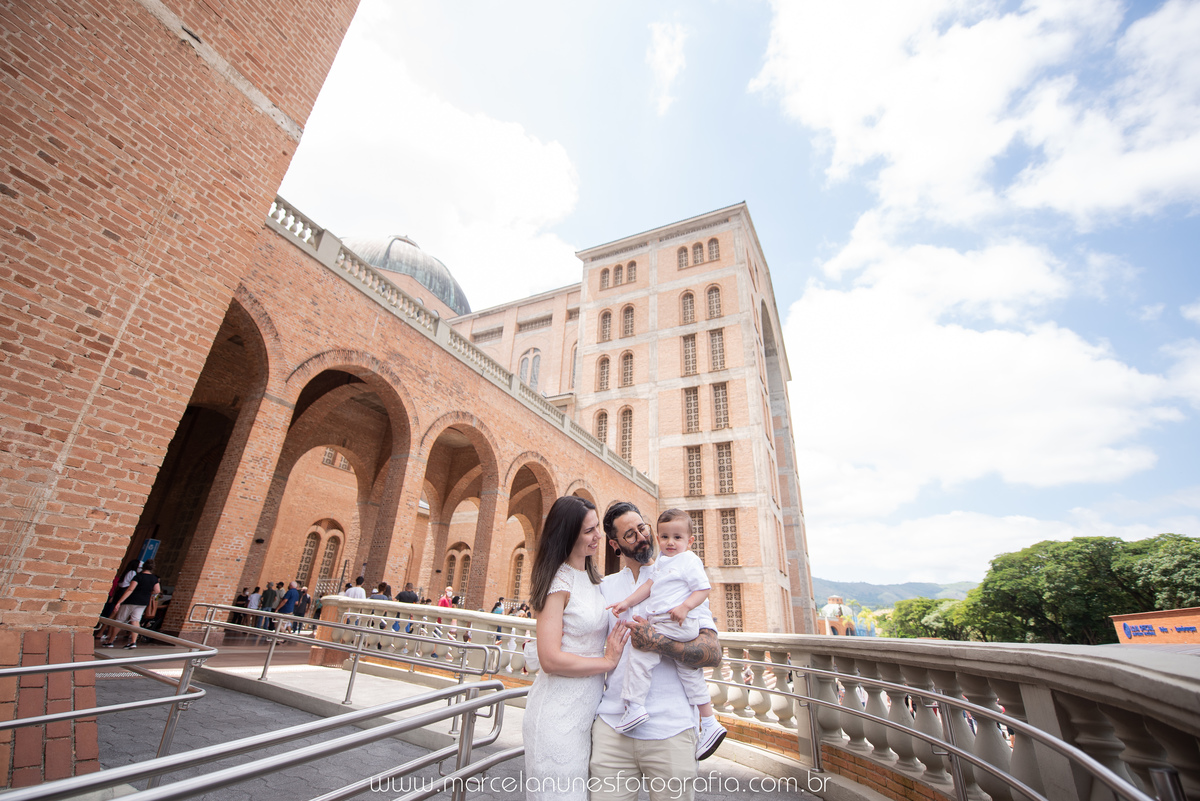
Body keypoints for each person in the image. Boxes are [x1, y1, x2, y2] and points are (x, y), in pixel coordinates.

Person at [589, 502, 725, 801]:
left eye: (643, 528)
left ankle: (709, 723)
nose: (642, 537)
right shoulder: (604, 588)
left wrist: (659, 644)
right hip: (612, 729)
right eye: (629, 535)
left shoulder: (682, 575)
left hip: (673, 730)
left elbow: (713, 653)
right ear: (614, 544)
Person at [523, 495, 628, 801]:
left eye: (597, 527)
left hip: (584, 716)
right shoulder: (559, 581)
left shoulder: (593, 579)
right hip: (556, 715)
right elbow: (549, 658)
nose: (598, 536)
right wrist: (607, 662)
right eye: (589, 531)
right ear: (567, 535)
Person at [104, 560, 161, 649]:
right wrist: (148, 592)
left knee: (120, 620)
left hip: (131, 600)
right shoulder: (154, 578)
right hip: (143, 602)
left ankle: (110, 641)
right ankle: (133, 642)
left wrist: (119, 602)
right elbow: (157, 591)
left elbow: (130, 589)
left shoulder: (138, 576)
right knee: (136, 620)